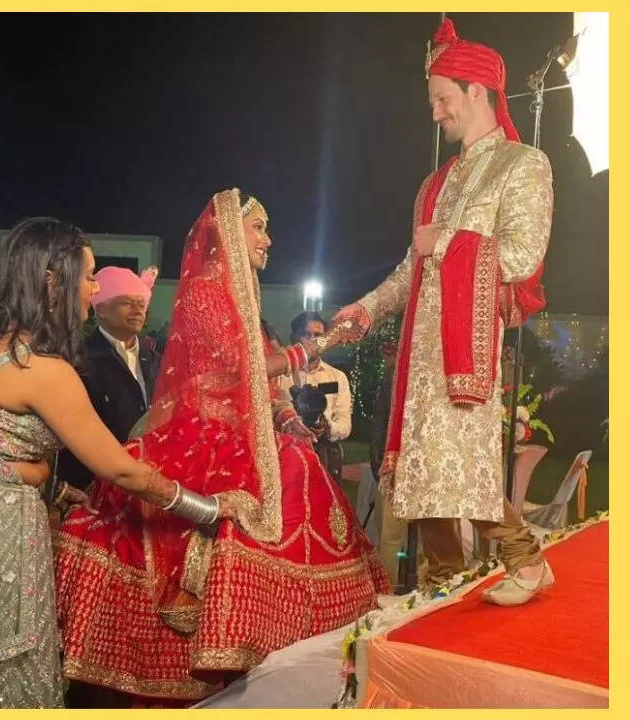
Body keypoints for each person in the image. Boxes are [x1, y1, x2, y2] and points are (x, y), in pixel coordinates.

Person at [55, 189, 388, 706]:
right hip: (202, 433)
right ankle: (216, 652)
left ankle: (277, 653)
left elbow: (261, 387)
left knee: (297, 472)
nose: (268, 240)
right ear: (230, 230)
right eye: (259, 227)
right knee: (237, 510)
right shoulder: (208, 290)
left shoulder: (243, 294)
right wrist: (321, 345)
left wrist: (286, 419)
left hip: (244, 430)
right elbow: (244, 369)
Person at [0, 217, 219, 709]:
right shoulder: (42, 370)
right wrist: (208, 510)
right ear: (52, 279)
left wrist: (44, 480)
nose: (94, 289)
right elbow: (121, 469)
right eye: (90, 275)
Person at [333, 18, 553, 605]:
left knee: (463, 464)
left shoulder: (523, 164)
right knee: (424, 469)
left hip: (466, 348)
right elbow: (412, 269)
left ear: (477, 91)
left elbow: (523, 255)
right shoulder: (434, 184)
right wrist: (366, 309)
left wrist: (449, 240)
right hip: (420, 353)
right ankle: (441, 584)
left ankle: (526, 561)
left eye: (442, 99)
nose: (435, 113)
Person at [54, 266, 162, 495]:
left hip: (147, 477)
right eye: (127, 303)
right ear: (101, 309)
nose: (137, 311)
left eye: (141, 304)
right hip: (93, 482)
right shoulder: (78, 359)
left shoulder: (155, 359)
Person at [281, 310, 353, 480]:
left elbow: (345, 423)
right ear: (293, 337)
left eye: (318, 335)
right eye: (306, 334)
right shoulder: (279, 375)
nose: (312, 340)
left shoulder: (337, 377)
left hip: (323, 458)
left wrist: (327, 427)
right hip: (285, 457)